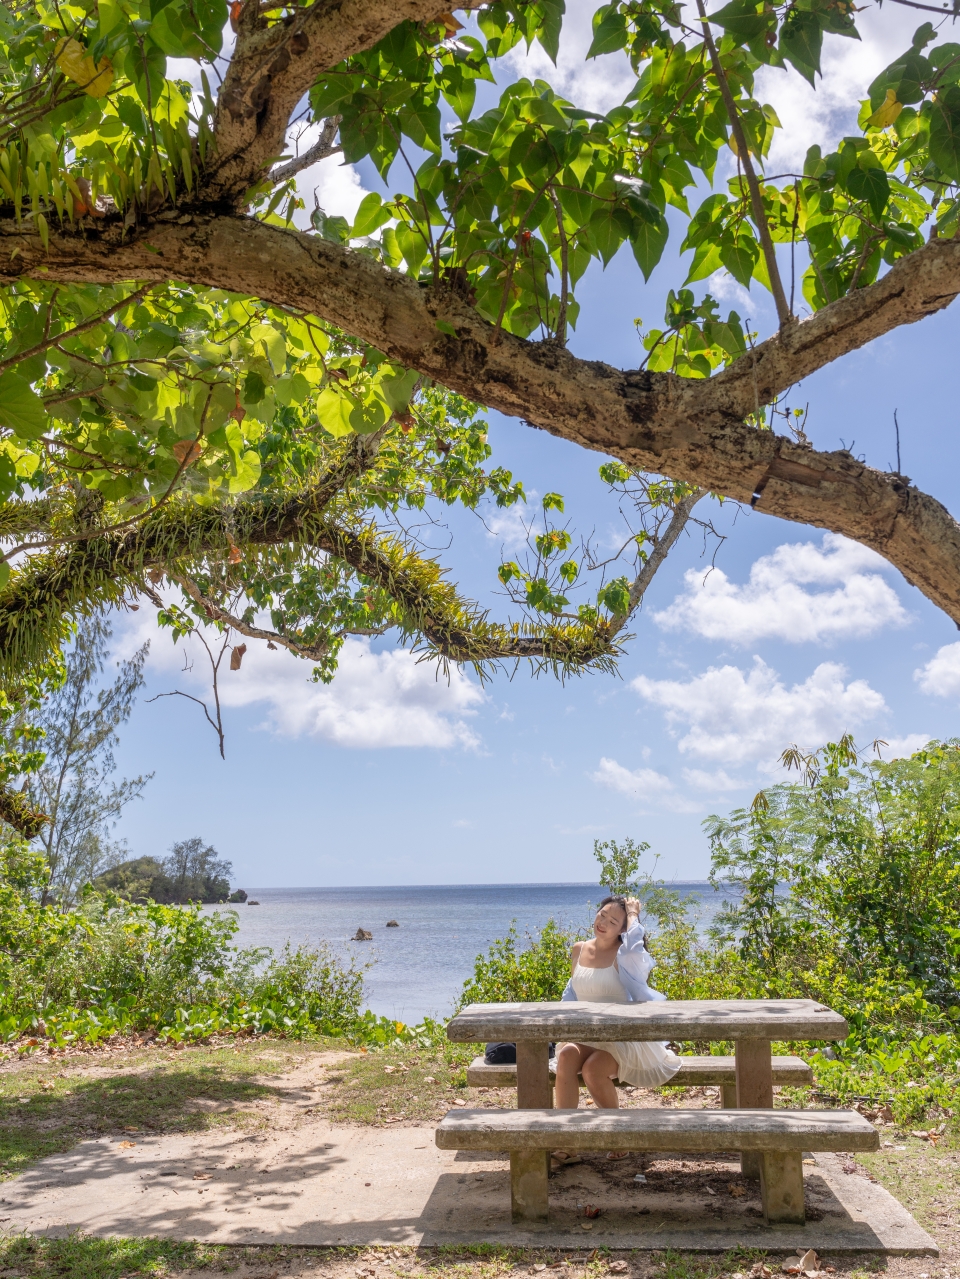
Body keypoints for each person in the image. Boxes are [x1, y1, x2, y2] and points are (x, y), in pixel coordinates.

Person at [552, 894, 680, 1166]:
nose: (603, 923)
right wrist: (560, 1026)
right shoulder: (578, 949)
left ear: (622, 928)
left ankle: (618, 1135)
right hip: (586, 1034)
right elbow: (571, 993)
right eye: (602, 915)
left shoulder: (626, 954)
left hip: (621, 1037)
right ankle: (567, 1141)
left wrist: (633, 914)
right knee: (565, 1057)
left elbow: (636, 947)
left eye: (613, 921)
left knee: (592, 1070)